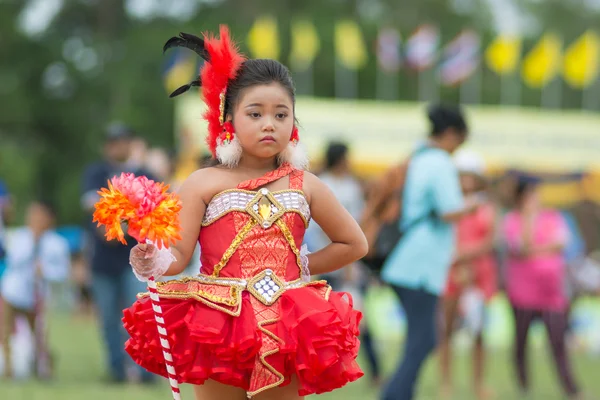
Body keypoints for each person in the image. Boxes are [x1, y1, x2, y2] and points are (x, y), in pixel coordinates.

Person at [123, 26, 367, 400]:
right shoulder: (203, 182)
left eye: (281, 115)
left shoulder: (307, 185)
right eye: (255, 113)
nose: (269, 123)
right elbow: (178, 256)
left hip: (289, 323)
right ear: (228, 120)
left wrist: (302, 265)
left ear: (293, 124)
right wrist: (151, 258)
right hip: (219, 323)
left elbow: (354, 243)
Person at [378, 104, 478, 400]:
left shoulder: (418, 157)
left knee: (421, 339)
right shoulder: (439, 162)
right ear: (450, 134)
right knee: (424, 339)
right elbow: (450, 210)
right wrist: (472, 203)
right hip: (419, 265)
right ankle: (393, 395)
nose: (457, 149)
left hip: (405, 261)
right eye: (459, 142)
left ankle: (400, 394)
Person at [80, 123, 156, 384]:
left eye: (122, 141)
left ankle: (146, 371)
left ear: (130, 143)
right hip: (103, 260)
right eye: (113, 142)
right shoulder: (96, 172)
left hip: (137, 259)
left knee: (141, 315)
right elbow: (91, 205)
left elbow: (154, 210)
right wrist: (125, 218)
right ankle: (116, 371)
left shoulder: (145, 174)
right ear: (106, 146)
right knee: (109, 318)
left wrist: (117, 220)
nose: (117, 146)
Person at [304, 141, 381, 384]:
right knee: (340, 319)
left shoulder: (347, 185)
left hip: (339, 259)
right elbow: (335, 229)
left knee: (357, 318)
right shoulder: (327, 185)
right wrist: (347, 265)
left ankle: (372, 370)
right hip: (329, 260)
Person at [503, 179, 580, 399]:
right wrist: (529, 220)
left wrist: (535, 249)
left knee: (557, 339)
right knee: (520, 340)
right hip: (522, 292)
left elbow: (561, 244)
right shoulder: (513, 220)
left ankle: (571, 388)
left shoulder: (553, 217)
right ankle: (523, 385)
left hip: (551, 292)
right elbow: (521, 247)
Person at [439, 150, 497, 400]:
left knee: (479, 332)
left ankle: (479, 384)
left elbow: (491, 240)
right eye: (462, 175)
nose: (466, 181)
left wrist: (464, 255)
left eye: (470, 176)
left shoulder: (486, 205)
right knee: (446, 330)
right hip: (451, 272)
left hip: (479, 275)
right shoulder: (449, 203)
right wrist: (456, 258)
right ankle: (445, 383)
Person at [1, 200, 70, 379]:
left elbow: (62, 273)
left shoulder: (57, 243)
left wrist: (45, 271)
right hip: (13, 291)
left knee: (38, 334)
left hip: (36, 297)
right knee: (5, 331)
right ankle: (8, 368)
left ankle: (42, 366)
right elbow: (13, 260)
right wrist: (33, 241)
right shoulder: (19, 237)